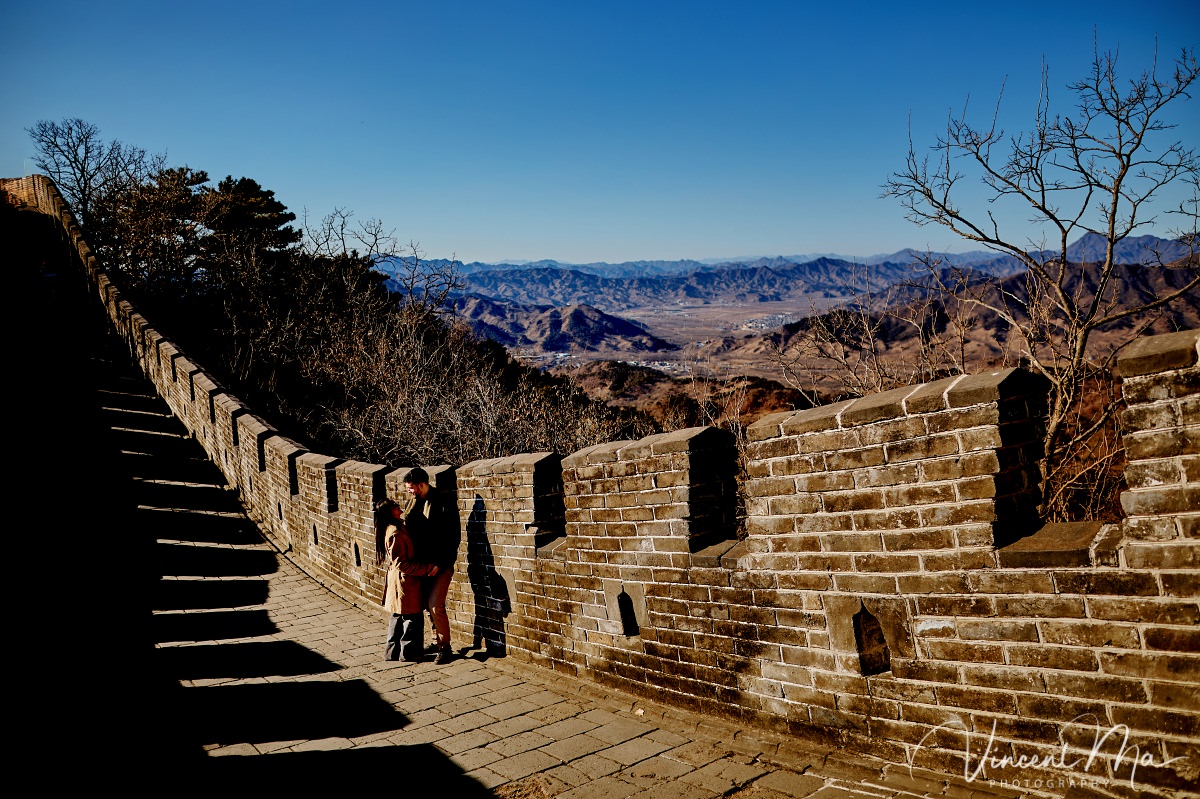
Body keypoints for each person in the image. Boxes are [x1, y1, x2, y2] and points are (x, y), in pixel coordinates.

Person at [401, 467, 461, 665]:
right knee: (427, 605)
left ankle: (445, 648)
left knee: (436, 605)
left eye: (411, 488)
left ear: (422, 484)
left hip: (441, 565)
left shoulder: (443, 502)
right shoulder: (412, 503)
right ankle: (436, 641)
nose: (409, 492)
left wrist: (439, 563)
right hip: (423, 565)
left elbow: (453, 537)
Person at [374, 498, 439, 662]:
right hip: (405, 581)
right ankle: (409, 653)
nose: (399, 507)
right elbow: (401, 563)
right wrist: (425, 569)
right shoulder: (394, 533)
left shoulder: (396, 527)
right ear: (389, 512)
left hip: (402, 580)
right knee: (411, 617)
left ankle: (393, 653)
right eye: (395, 506)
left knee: (398, 615)